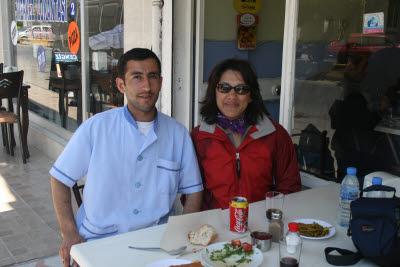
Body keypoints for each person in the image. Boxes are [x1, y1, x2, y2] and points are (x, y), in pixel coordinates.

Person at [50, 48, 203, 266]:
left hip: (157, 242)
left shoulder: (177, 134)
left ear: (161, 82)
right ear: (121, 85)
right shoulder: (96, 127)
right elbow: (59, 179)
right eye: (137, 77)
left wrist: (181, 234)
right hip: (99, 242)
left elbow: (194, 191)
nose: (146, 87)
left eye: (152, 77)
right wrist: (69, 233)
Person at [190, 58, 301, 210]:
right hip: (215, 226)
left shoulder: (274, 134)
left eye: (241, 89)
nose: (232, 96)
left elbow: (289, 187)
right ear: (214, 92)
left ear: (251, 96)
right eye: (224, 88)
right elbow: (191, 192)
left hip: (260, 226)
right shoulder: (199, 137)